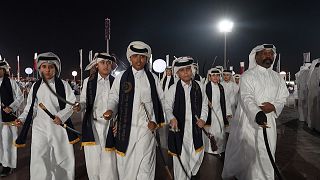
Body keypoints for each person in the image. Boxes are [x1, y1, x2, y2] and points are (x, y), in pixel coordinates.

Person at [222, 44, 289, 180]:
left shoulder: (277, 77)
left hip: (269, 121)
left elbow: (283, 96)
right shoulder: (248, 75)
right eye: (264, 53)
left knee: (267, 150)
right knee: (249, 153)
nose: (268, 56)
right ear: (256, 56)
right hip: (249, 121)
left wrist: (274, 106)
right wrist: (257, 112)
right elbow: (246, 97)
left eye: (271, 54)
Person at [104, 41, 165, 180]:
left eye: (142, 57)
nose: (139, 60)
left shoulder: (152, 78)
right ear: (130, 58)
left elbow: (160, 101)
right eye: (135, 56)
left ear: (146, 59)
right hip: (126, 128)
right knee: (126, 164)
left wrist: (155, 122)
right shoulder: (121, 78)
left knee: (146, 163)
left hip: (146, 129)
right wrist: (110, 110)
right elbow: (114, 98)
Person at [15, 52, 78, 180]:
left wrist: (61, 116)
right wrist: (21, 119)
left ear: (56, 68)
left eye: (51, 67)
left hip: (59, 128)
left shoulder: (64, 85)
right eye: (44, 66)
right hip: (40, 128)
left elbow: (71, 105)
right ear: (39, 69)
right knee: (39, 158)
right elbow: (30, 108)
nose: (47, 70)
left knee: (62, 157)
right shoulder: (35, 86)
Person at [73, 52, 118, 180]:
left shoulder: (116, 82)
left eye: (109, 63)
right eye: (103, 63)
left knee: (109, 159)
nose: (106, 65)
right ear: (97, 65)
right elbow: (83, 102)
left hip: (110, 126)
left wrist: (118, 122)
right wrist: (79, 106)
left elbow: (121, 105)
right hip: (92, 124)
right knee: (93, 159)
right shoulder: (88, 81)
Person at [165, 56, 208, 180]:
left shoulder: (199, 86)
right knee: (181, 160)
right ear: (177, 73)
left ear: (192, 70)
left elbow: (205, 104)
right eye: (182, 70)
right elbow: (167, 107)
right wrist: (172, 117)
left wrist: (203, 118)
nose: (186, 72)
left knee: (197, 156)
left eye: (188, 69)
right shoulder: (173, 89)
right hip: (180, 130)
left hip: (195, 129)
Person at [0, 58, 23, 177]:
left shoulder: (12, 82)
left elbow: (20, 97)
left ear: (4, 70)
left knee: (8, 142)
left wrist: (11, 107)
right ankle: (1, 161)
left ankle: (8, 165)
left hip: (7, 118)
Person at [204, 68, 231, 155]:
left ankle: (220, 149)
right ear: (210, 77)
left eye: (217, 75)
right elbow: (202, 99)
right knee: (211, 131)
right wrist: (207, 102)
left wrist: (228, 112)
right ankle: (210, 149)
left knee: (220, 130)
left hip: (220, 113)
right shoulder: (206, 87)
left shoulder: (221, 87)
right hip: (210, 113)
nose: (215, 77)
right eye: (213, 75)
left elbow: (225, 100)